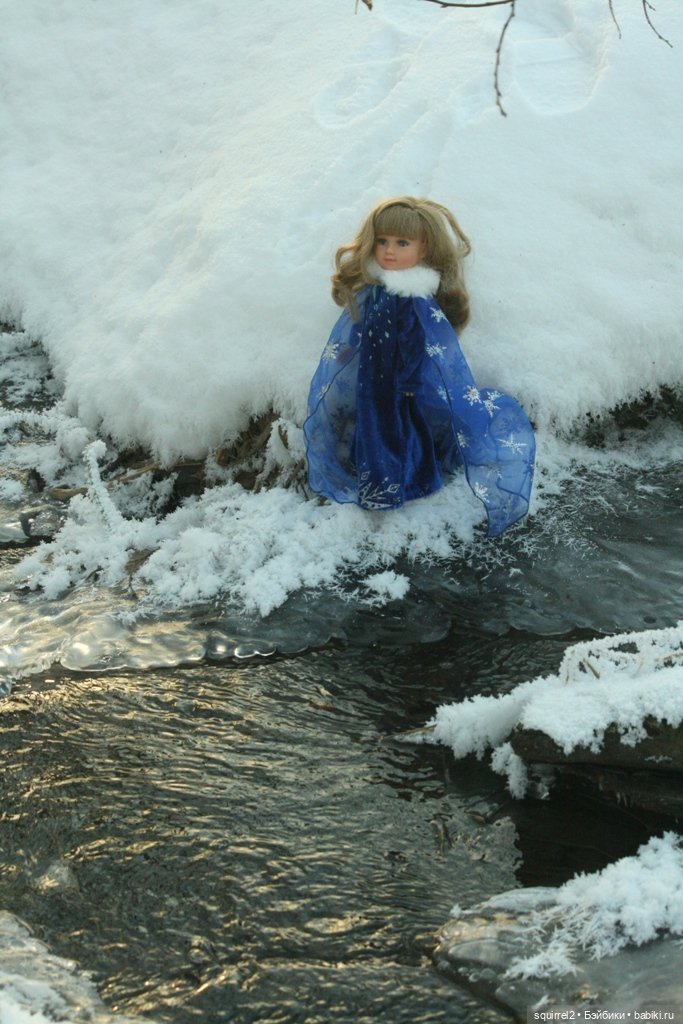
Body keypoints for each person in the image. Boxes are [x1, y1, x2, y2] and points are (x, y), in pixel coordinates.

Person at [303, 196, 535, 536]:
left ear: (424, 248)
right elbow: (361, 326)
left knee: (399, 429)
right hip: (372, 378)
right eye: (382, 241)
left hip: (399, 382)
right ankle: (376, 476)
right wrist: (350, 348)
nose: (389, 251)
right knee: (373, 425)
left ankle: (408, 481)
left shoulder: (413, 299)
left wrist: (409, 381)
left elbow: (417, 345)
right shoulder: (378, 290)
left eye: (402, 243)